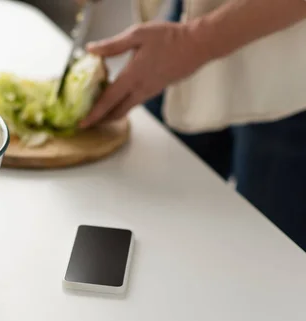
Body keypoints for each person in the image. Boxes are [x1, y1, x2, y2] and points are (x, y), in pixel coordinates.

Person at [80, 0, 306, 252]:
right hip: (197, 17)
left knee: (271, 254)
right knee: (150, 220)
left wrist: (196, 42)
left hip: (292, 70)